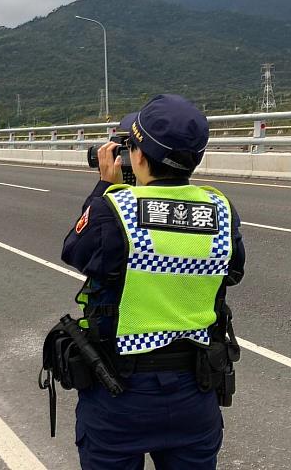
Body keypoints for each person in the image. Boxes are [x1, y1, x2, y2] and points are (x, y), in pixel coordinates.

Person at [61, 94, 245, 469]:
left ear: (138, 156)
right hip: (196, 391)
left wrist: (103, 187)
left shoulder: (115, 208)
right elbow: (234, 271)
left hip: (120, 392)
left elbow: (76, 252)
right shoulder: (221, 210)